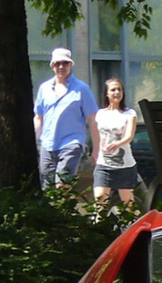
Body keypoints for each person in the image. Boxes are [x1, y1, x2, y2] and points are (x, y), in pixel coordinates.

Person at [33, 48, 99, 190]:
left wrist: (96, 150)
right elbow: (39, 118)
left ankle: (62, 209)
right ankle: (54, 212)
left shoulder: (82, 89)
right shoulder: (44, 89)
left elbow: (93, 121)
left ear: (71, 65)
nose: (61, 67)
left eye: (65, 63)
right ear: (52, 66)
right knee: (47, 189)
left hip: (71, 144)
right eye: (57, 63)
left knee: (62, 185)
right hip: (48, 145)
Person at [93, 77, 139, 208]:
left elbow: (129, 136)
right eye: (113, 90)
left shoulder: (129, 113)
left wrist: (117, 144)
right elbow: (97, 137)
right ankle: (99, 228)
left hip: (125, 166)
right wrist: (94, 152)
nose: (117, 92)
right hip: (104, 165)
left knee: (128, 205)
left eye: (119, 89)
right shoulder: (100, 114)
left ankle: (136, 227)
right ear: (106, 93)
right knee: (99, 202)